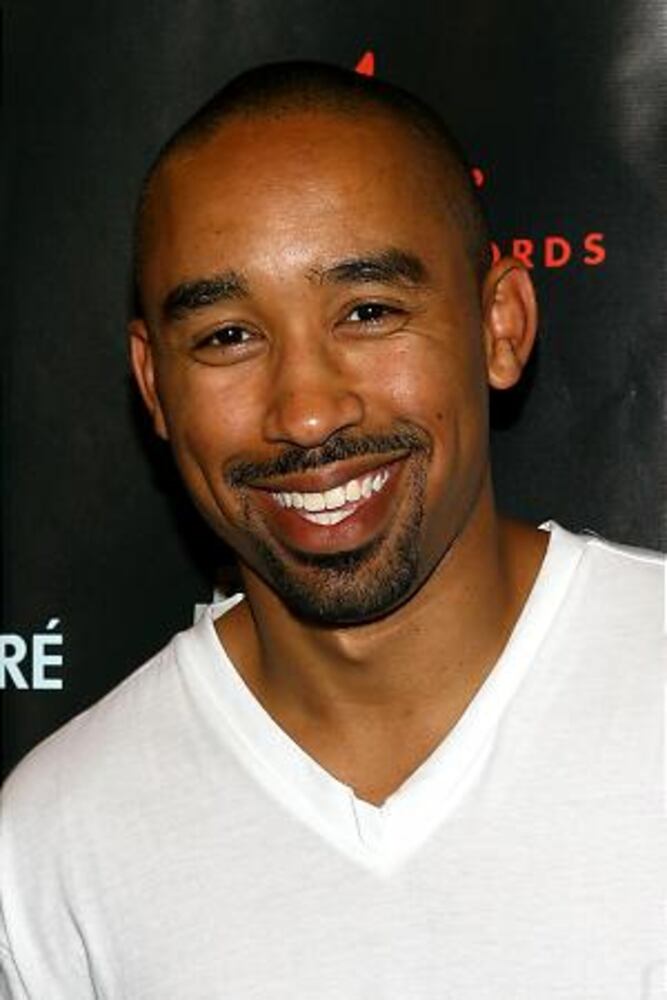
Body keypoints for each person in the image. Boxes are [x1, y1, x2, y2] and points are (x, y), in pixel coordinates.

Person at [1, 61, 664, 1000]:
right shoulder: (52, 846)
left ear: (499, 325)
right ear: (154, 384)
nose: (307, 412)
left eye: (368, 312)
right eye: (227, 336)